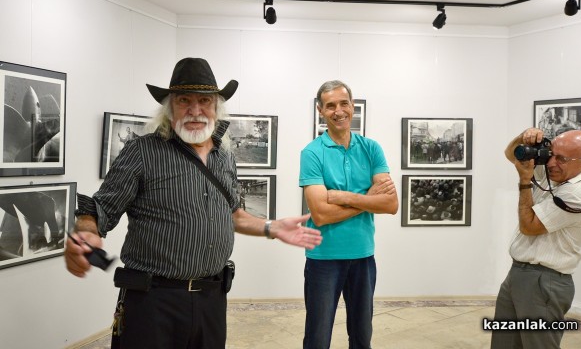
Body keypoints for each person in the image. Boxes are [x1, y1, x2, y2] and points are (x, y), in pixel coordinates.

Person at [65, 58, 322, 349]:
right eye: (184, 100)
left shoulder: (224, 156)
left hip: (211, 300)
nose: (195, 110)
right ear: (169, 107)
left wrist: (271, 227)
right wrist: (85, 232)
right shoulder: (143, 152)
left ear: (216, 107)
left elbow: (234, 214)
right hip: (153, 303)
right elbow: (100, 210)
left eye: (205, 101)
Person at [299, 80, 398, 349]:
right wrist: (369, 197)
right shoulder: (312, 153)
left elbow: (391, 204)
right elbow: (320, 214)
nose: (338, 111)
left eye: (344, 104)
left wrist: (344, 197)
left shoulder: (372, 148)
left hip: (363, 256)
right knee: (318, 338)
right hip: (323, 259)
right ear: (321, 111)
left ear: (352, 107)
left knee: (362, 337)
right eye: (330, 106)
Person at [491, 127, 581, 349]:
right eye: (551, 154)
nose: (550, 164)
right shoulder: (557, 175)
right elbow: (512, 155)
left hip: (545, 281)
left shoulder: (579, 192)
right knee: (505, 343)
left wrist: (525, 182)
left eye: (562, 159)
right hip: (519, 273)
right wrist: (523, 137)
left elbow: (529, 226)